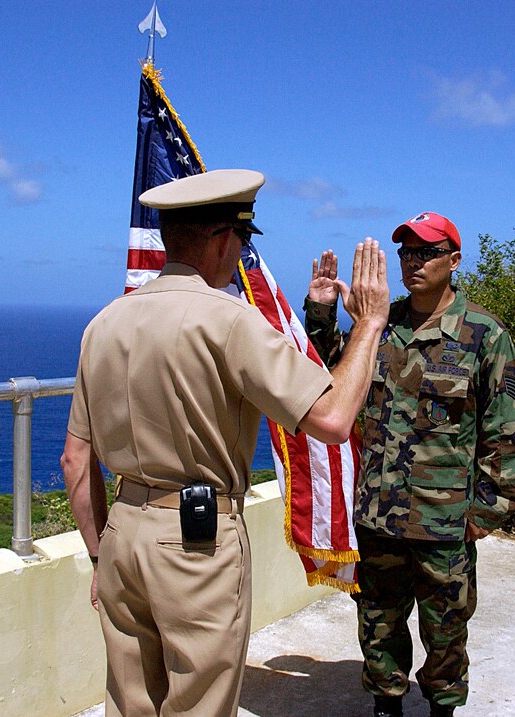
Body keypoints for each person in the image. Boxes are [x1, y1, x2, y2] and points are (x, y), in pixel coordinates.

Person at [60, 169, 391, 717]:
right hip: (196, 543)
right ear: (220, 241)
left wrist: (101, 556)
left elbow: (76, 460)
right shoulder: (230, 321)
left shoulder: (104, 324)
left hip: (121, 536)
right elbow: (331, 419)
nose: (240, 251)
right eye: (241, 239)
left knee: (130, 703)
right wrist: (370, 325)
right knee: (200, 705)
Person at [304, 211, 515, 717]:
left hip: (445, 521)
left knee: (446, 628)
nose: (414, 262)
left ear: (454, 259)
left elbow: (508, 434)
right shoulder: (379, 327)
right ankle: (387, 702)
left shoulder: (483, 335)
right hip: (380, 514)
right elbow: (326, 377)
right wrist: (320, 313)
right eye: (406, 252)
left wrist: (483, 515)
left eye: (427, 252)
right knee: (378, 620)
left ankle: (444, 704)